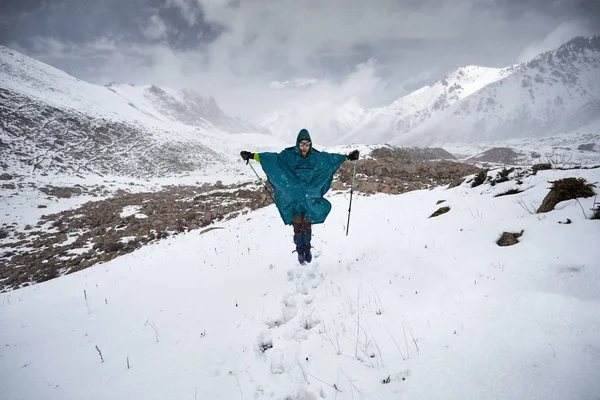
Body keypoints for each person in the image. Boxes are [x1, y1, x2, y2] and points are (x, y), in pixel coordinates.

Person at [240, 128, 359, 265]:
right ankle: (299, 250)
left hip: (310, 199)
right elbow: (273, 159)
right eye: (302, 144)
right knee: (297, 227)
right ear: (297, 144)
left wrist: (348, 157)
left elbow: (330, 160)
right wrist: (252, 155)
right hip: (293, 200)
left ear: (310, 144)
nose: (304, 147)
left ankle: (307, 249)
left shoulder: (317, 157)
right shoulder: (288, 156)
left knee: (307, 226)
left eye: (307, 144)